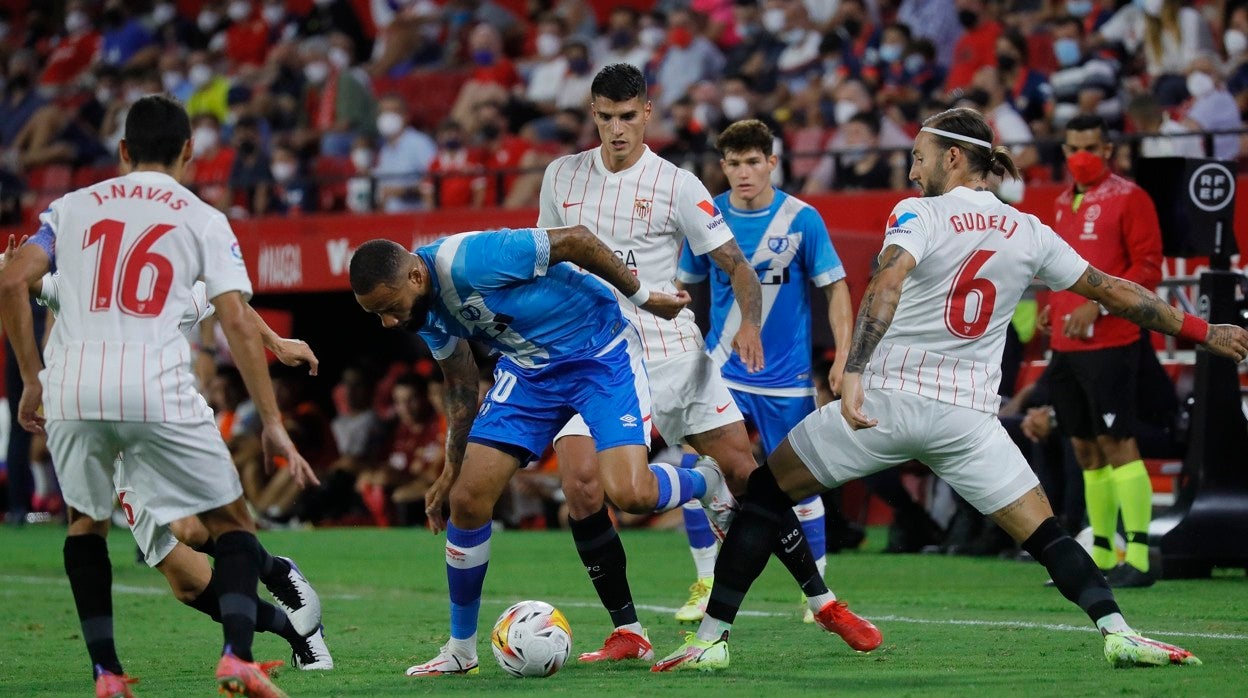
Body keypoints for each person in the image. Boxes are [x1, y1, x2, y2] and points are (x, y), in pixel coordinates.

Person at [652, 106, 1248, 671]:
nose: (912, 169)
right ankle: (1119, 633)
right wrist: (1204, 329)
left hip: (886, 402)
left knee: (763, 495)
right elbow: (1116, 291)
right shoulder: (1029, 229)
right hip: (967, 421)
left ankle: (711, 640)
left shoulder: (920, 214)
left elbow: (885, 284)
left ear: (955, 159)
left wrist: (852, 369)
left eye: (920, 156)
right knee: (1045, 533)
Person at [537, 63, 878, 664]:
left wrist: (748, 320)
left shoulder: (678, 184)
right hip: (592, 356)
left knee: (749, 473)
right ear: (592, 114)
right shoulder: (560, 176)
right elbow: (547, 262)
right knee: (584, 490)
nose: (616, 129)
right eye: (604, 117)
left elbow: (739, 269)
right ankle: (629, 630)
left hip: (670, 351)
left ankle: (824, 601)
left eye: (626, 116)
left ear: (647, 112)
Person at [0, 95, 318, 697]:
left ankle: (106, 674)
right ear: (190, 152)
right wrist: (271, 418)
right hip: (154, 386)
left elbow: (13, 278)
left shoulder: (69, 209)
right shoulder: (201, 218)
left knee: (84, 526)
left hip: (73, 390)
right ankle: (238, 657)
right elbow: (232, 317)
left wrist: (33, 379)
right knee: (231, 524)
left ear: (122, 152)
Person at [348, 227, 728, 678]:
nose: (389, 322)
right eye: (378, 315)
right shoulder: (419, 310)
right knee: (467, 501)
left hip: (599, 355)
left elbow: (577, 240)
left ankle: (708, 480)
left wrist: (644, 297)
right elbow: (461, 382)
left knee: (631, 494)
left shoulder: (472, 258)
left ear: (414, 275)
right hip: (530, 372)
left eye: (389, 308)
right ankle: (460, 651)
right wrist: (451, 469)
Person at [19, 255, 334, 674]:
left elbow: (228, 303)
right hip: (118, 452)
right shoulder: (72, 288)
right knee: (188, 585)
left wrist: (277, 343)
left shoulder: (160, 286)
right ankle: (297, 633)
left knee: (193, 529)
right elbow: (18, 280)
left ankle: (277, 575)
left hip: (172, 424)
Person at [675, 119, 854, 624]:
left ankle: (814, 595)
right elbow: (682, 288)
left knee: (800, 485)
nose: (743, 173)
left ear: (772, 163)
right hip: (721, 371)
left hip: (787, 379)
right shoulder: (707, 216)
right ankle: (707, 581)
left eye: (753, 162)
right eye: (733, 163)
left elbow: (836, 288)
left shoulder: (801, 219)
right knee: (694, 473)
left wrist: (842, 357)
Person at [1038, 114, 1164, 588]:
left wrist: (1098, 305)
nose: (1080, 157)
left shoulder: (1131, 198)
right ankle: (1105, 554)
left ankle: (1140, 556)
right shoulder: (1058, 203)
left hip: (1112, 342)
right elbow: (1056, 268)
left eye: (1090, 146)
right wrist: (1053, 305)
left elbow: (1148, 268)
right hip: (1066, 345)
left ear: (1109, 150)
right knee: (1085, 448)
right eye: (1072, 148)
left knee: (1117, 443)